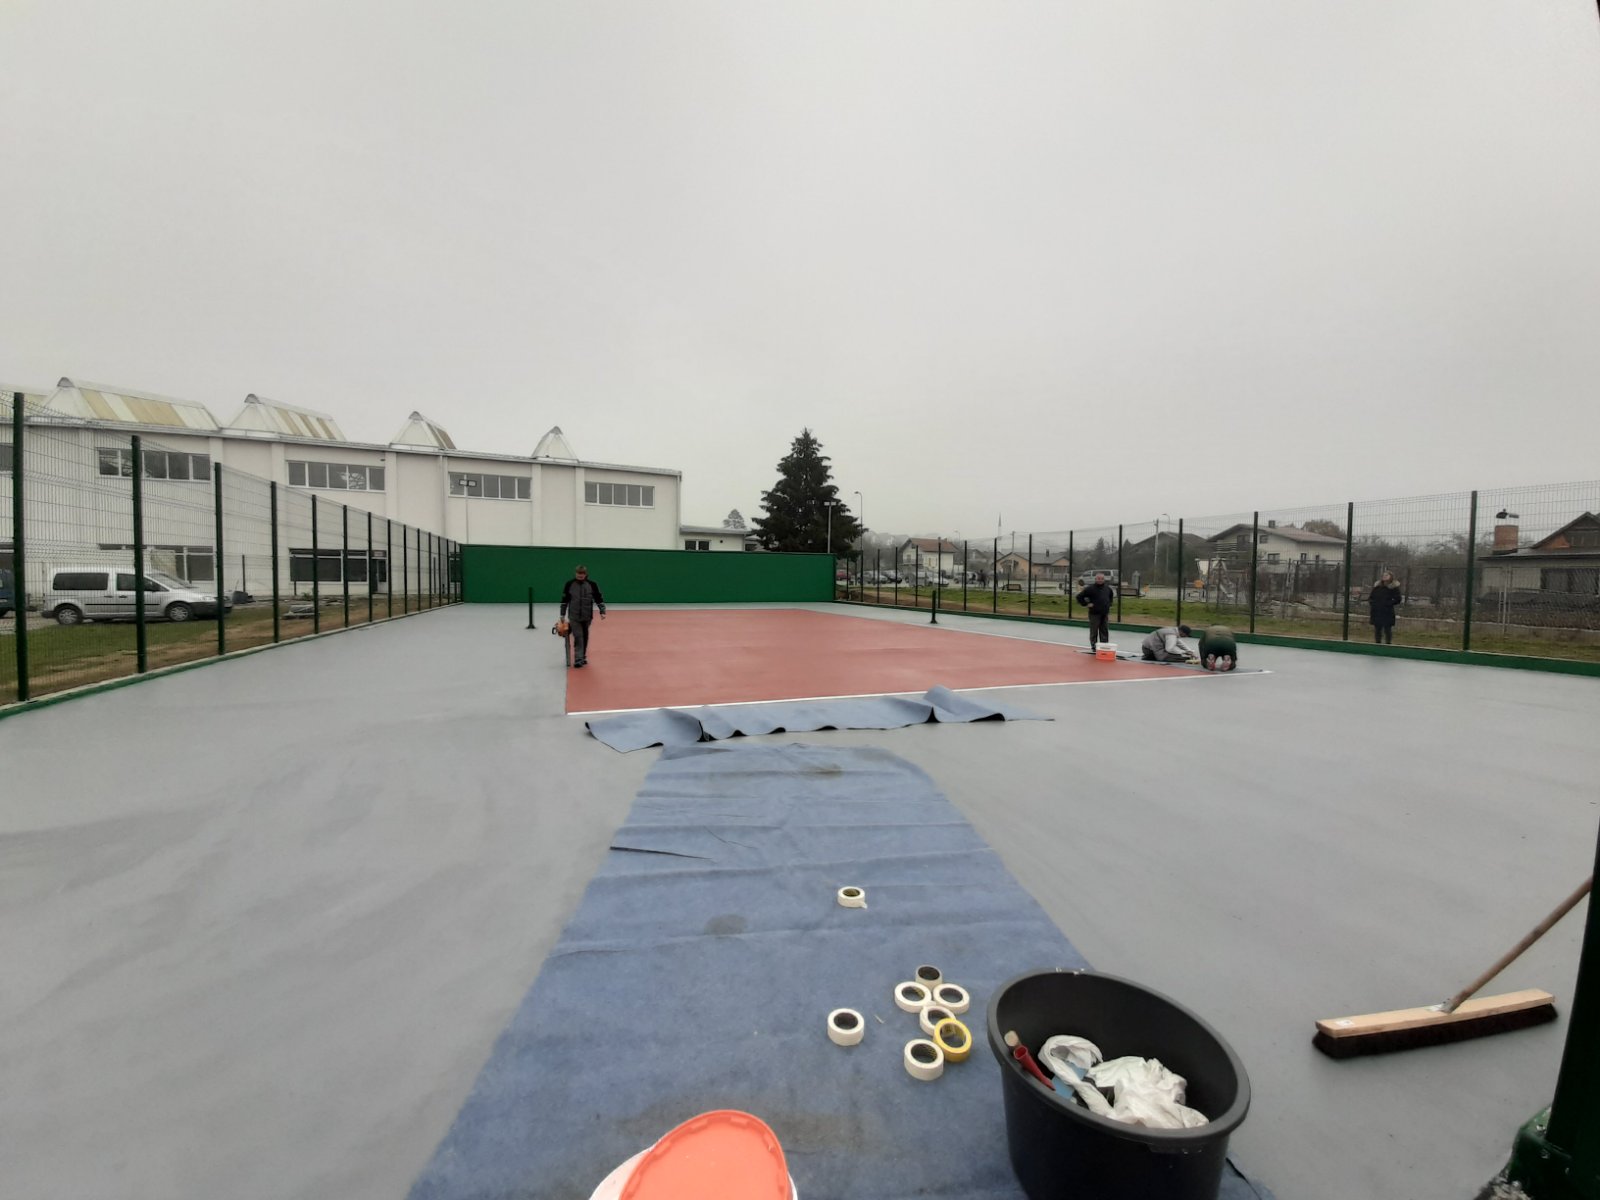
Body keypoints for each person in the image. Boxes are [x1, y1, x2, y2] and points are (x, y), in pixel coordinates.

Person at [559, 564, 607, 667]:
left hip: (587, 616)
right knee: (578, 636)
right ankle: (578, 659)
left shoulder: (592, 584)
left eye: (582, 574)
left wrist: (602, 611)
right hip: (574, 616)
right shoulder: (569, 584)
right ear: (575, 573)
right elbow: (564, 600)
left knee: (585, 636)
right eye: (578, 573)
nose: (580, 575)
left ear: (585, 574)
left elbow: (598, 598)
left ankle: (583, 656)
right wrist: (562, 614)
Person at [1075, 572, 1115, 649]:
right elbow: (1079, 597)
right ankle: (1094, 646)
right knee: (1094, 631)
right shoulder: (1090, 589)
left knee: (1104, 630)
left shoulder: (1108, 589)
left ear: (1104, 579)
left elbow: (1111, 597)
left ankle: (1104, 645)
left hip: (1104, 613)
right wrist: (1086, 604)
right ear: (1095, 579)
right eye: (1098, 579)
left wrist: (1109, 604)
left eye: (1102, 579)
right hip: (1094, 613)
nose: (1100, 580)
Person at [1368, 571, 1402, 644]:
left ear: (1391, 577)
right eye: (1384, 575)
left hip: (1387, 612)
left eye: (1387, 575)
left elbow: (1398, 599)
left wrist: (1388, 603)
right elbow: (1371, 597)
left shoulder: (1393, 588)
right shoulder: (1377, 587)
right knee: (1377, 629)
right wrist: (1373, 603)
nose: (1385, 576)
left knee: (1387, 629)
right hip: (1377, 611)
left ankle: (1388, 644)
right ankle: (1377, 643)